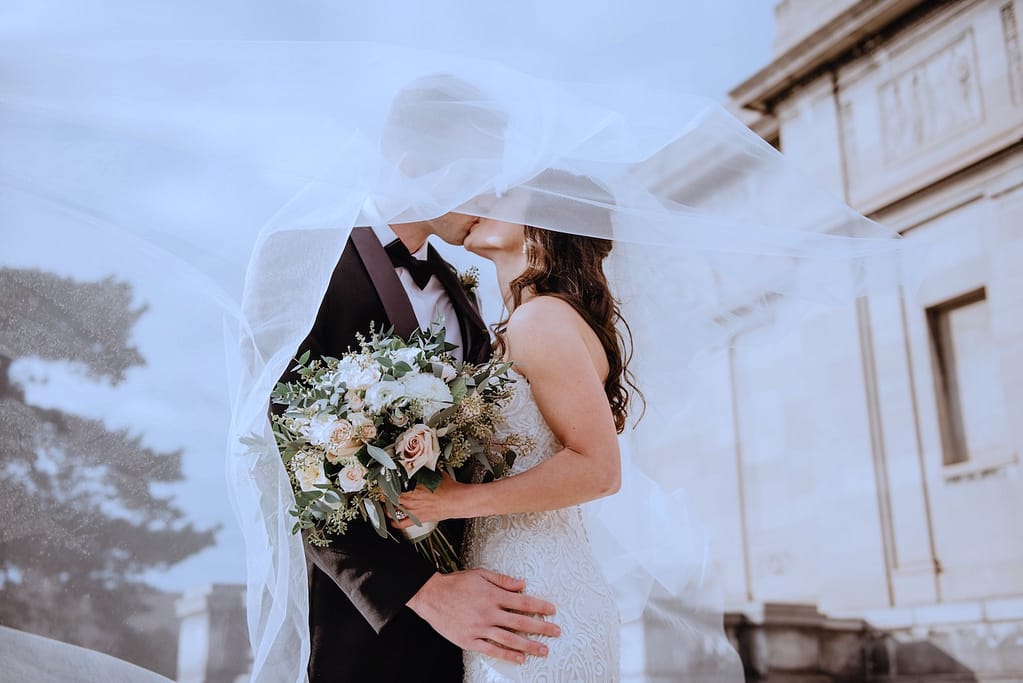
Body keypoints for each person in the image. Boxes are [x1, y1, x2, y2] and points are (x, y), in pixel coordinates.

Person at [277, 76, 561, 683]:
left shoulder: (463, 295)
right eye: (479, 173)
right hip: (367, 627)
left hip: (486, 619)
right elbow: (285, 457)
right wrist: (426, 593)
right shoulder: (301, 261)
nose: (492, 193)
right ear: (415, 165)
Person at [395, 213, 632, 681]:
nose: (480, 198)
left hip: (538, 598)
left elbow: (600, 469)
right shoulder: (519, 325)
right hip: (510, 592)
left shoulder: (541, 319)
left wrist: (454, 501)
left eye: (503, 193)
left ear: (546, 219)